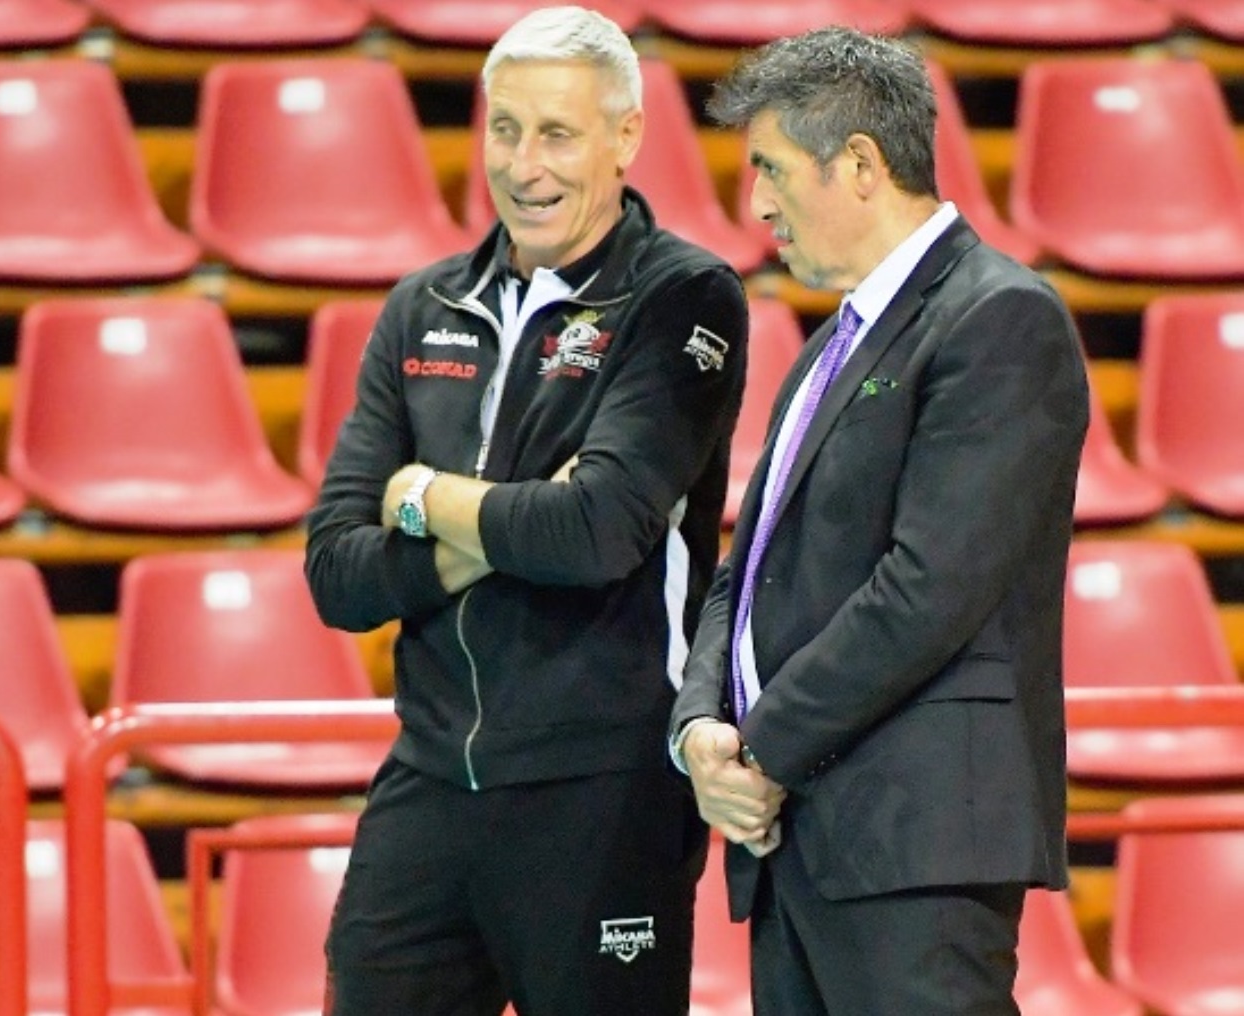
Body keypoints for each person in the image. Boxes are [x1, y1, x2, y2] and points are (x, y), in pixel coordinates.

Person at [303, 6, 749, 1014]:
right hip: (427, 777)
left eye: (556, 133)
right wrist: (510, 521)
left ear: (625, 137)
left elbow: (595, 533)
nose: (523, 165)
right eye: (504, 129)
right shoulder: (423, 307)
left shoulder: (683, 298)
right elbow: (337, 575)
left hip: (604, 791)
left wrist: (423, 498)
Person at [669, 26, 1089, 1016]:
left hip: (914, 844)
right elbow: (746, 567)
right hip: (803, 839)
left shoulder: (1001, 317)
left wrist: (761, 748)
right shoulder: (832, 344)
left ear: (859, 164)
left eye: (771, 168)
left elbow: (927, 588)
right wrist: (699, 729)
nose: (756, 203)